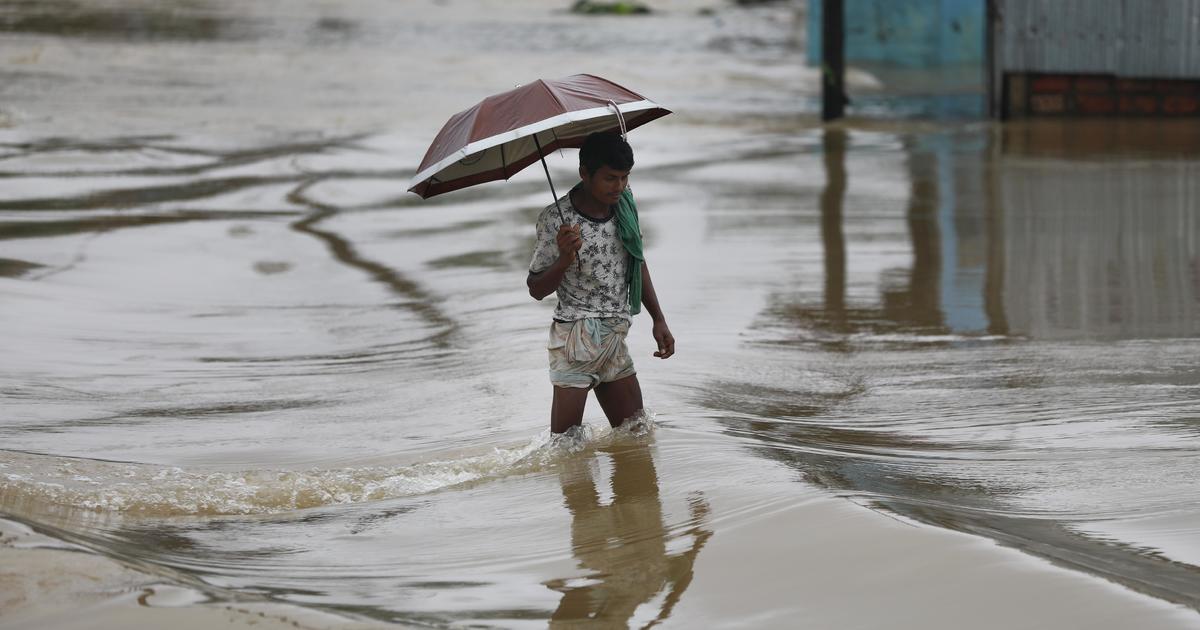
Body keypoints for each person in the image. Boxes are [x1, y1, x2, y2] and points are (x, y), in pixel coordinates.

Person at [527, 131, 675, 434]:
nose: (619, 187)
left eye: (625, 177)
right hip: (574, 340)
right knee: (567, 447)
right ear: (585, 174)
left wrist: (658, 318)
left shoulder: (624, 208)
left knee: (637, 435)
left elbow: (637, 261)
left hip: (614, 335)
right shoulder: (557, 220)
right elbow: (536, 288)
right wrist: (564, 259)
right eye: (610, 178)